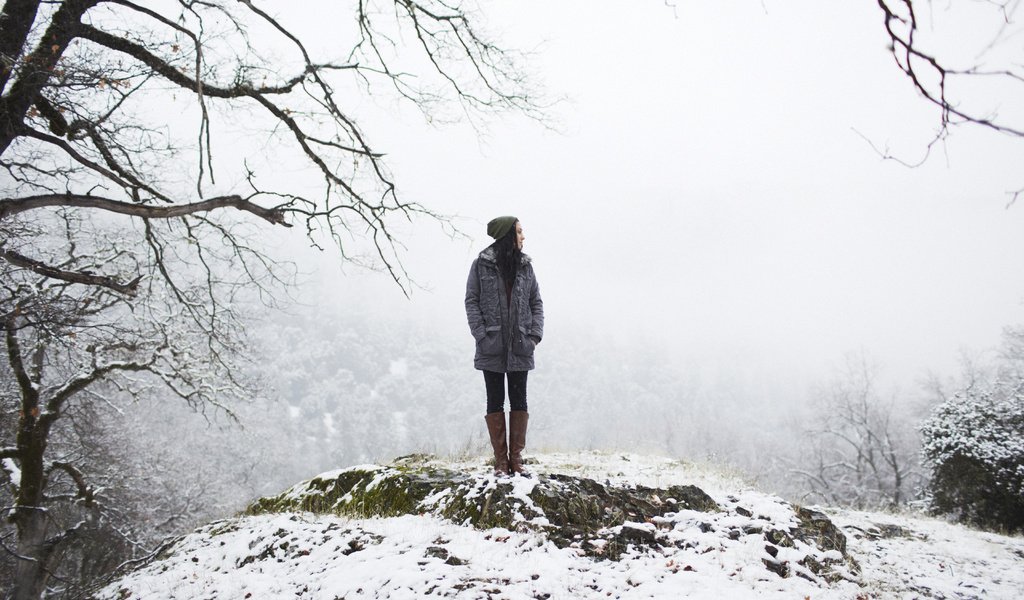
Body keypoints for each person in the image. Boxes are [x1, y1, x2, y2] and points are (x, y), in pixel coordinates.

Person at [465, 216, 544, 476]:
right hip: (492, 346)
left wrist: (534, 337)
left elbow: (536, 303)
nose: (523, 237)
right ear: (507, 235)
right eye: (519, 232)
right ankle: (500, 462)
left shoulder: (526, 267)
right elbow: (472, 301)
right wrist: (481, 335)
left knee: (519, 400)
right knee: (495, 400)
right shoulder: (481, 266)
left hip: (521, 345)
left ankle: (516, 460)